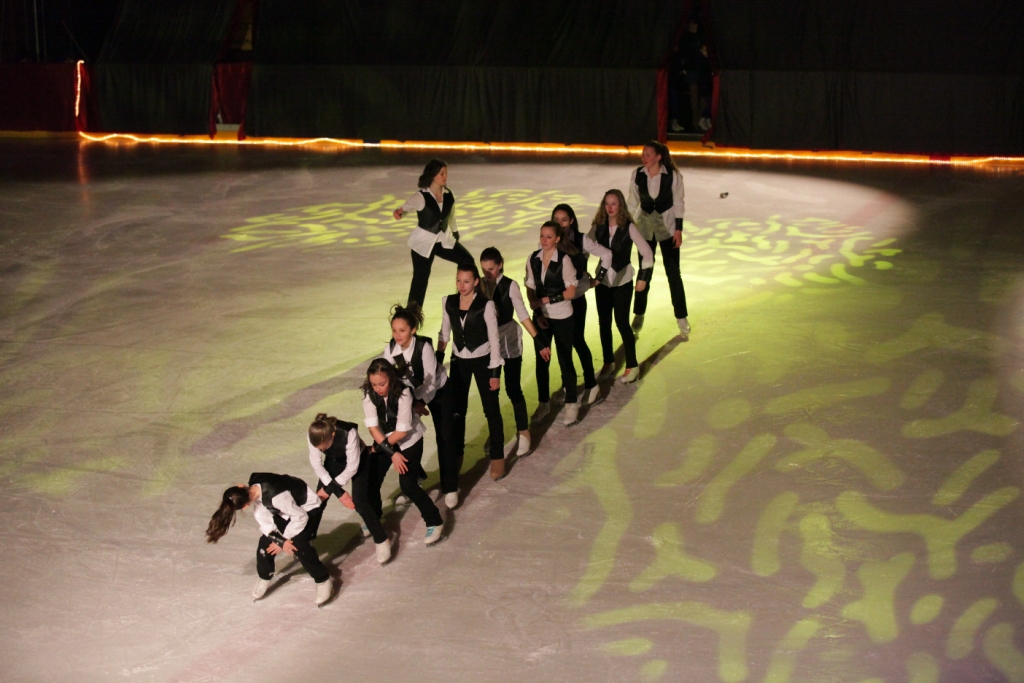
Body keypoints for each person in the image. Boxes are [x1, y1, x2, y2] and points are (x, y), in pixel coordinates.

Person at [206, 473, 333, 606]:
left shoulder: (277, 498)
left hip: (308, 509)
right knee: (264, 545)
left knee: (299, 546)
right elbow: (264, 517)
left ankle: (323, 580)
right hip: (286, 511)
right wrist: (279, 540)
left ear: (245, 506)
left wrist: (283, 539)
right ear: (240, 486)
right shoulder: (255, 485)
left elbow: (301, 517)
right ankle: (264, 576)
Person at [382, 303, 460, 509]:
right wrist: (409, 403)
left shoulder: (423, 347)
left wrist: (417, 402)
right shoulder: (390, 350)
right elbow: (387, 378)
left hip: (439, 392)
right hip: (411, 396)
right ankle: (414, 479)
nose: (397, 335)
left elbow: (430, 383)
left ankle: (450, 486)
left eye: (402, 330)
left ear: (413, 329)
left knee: (445, 437)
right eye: (394, 330)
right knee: (406, 437)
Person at [362, 358, 445, 547]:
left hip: (409, 440)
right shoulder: (369, 394)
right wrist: (391, 453)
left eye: (382, 384)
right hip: (385, 440)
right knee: (372, 477)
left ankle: (435, 521)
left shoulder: (404, 393)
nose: (377, 388)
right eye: (374, 384)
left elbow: (402, 432)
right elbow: (373, 428)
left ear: (391, 379)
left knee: (408, 485)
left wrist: (381, 448)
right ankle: (373, 517)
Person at [437, 263, 507, 481]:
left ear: (476, 282)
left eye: (466, 281)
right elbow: (444, 333)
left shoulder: (486, 305)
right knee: (457, 412)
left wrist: (495, 372)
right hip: (459, 362)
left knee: (491, 409)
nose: (461, 285)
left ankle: (498, 456)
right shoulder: (448, 302)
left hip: (483, 361)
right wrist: (438, 360)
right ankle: (457, 454)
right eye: (458, 280)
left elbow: (494, 340)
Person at [584, 189, 655, 384]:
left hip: (623, 281)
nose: (610, 207)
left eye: (614, 203)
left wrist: (643, 278)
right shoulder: (598, 226)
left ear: (621, 205)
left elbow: (647, 253)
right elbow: (584, 249)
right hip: (603, 281)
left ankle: (632, 365)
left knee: (622, 322)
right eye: (607, 203)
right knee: (604, 323)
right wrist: (583, 272)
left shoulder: (629, 227)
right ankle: (608, 362)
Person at [479, 246, 543, 455]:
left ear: (500, 265)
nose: (487, 273)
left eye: (491, 269)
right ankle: (496, 432)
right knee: (492, 392)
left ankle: (524, 432)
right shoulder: (479, 286)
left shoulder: (510, 285)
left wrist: (538, 340)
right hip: (489, 344)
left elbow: (522, 314)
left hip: (509, 341)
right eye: (484, 269)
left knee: (513, 388)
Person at [306, 413, 394, 565]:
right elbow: (317, 465)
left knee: (360, 502)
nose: (322, 449)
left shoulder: (349, 433)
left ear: (332, 434)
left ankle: (382, 539)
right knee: (319, 499)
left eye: (324, 447)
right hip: (334, 461)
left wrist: (335, 490)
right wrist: (337, 491)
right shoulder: (313, 434)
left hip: (359, 460)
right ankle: (307, 538)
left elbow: (352, 467)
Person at [524, 221, 585, 425]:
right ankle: (544, 403)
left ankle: (571, 403)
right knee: (542, 362)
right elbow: (530, 286)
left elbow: (571, 292)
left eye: (549, 236)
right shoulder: (533, 258)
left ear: (557, 239)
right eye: (542, 235)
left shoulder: (565, 261)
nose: (544, 240)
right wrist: (537, 309)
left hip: (562, 317)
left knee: (565, 359)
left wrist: (546, 300)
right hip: (542, 317)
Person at [627, 141, 690, 338]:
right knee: (644, 271)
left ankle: (681, 317)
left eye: (648, 154)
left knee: (673, 273)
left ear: (658, 157)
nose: (643, 157)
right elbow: (632, 202)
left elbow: (678, 203)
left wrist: (678, 230)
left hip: (667, 228)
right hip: (645, 228)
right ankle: (639, 313)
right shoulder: (637, 174)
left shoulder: (673, 176)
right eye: (643, 154)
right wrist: (626, 226)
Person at [393, 159, 475, 307]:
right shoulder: (421, 196)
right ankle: (412, 315)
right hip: (423, 243)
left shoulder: (448, 195)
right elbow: (405, 208)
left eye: (446, 173)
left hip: (443, 240)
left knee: (467, 261)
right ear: (432, 175)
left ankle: (465, 300)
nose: (445, 176)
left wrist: (455, 233)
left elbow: (451, 217)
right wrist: (399, 212)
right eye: (441, 173)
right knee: (420, 280)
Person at [544, 204, 600, 414]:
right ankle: (568, 385)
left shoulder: (581, 239)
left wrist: (597, 279)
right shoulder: (550, 240)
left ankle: (591, 383)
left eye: (564, 220)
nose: (560, 224)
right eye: (556, 220)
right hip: (558, 302)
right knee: (563, 345)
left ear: (572, 221)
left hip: (575, 301)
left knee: (577, 340)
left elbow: (605, 254)